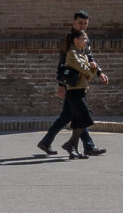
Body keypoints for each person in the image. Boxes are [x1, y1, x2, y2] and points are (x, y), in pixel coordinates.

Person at [38, 25, 107, 158]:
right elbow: (86, 71)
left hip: (81, 91)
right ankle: (72, 144)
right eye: (83, 39)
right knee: (86, 117)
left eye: (86, 39)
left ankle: (73, 148)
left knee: (76, 120)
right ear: (76, 40)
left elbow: (89, 73)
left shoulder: (83, 54)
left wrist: (94, 69)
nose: (86, 41)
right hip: (74, 92)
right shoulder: (72, 54)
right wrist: (92, 69)